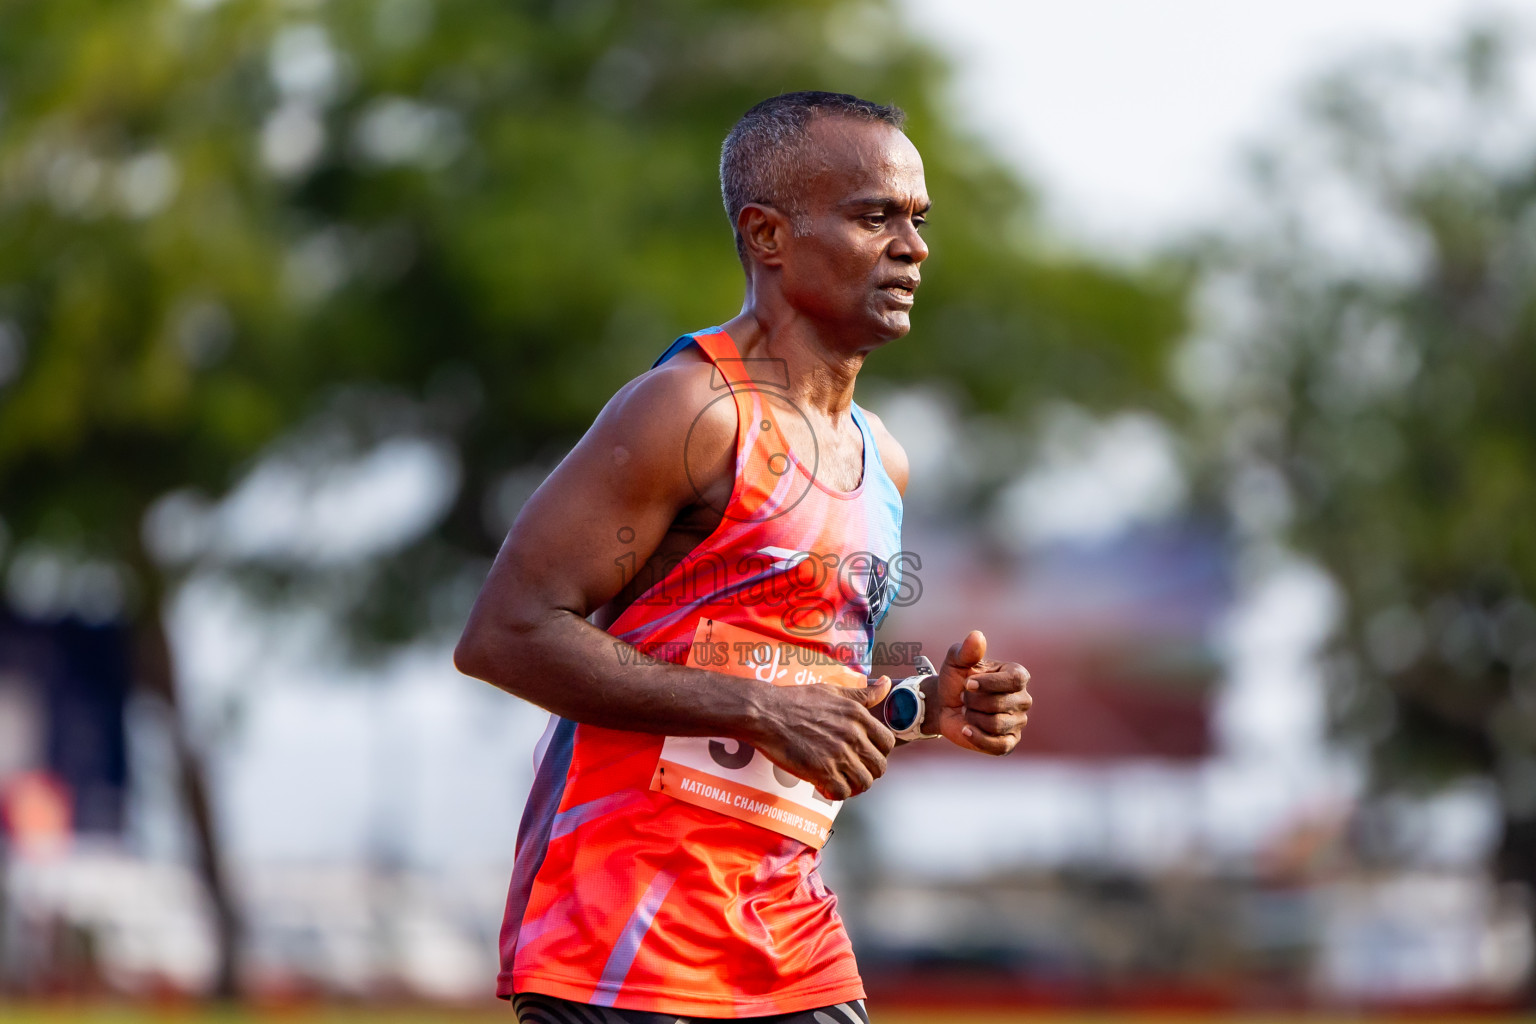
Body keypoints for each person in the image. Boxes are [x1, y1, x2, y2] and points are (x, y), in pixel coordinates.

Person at [454, 91, 1033, 1024]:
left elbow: (782, 661)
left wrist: (924, 704)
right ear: (767, 235)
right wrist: (756, 710)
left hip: (786, 933)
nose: (913, 248)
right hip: (621, 935)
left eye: (918, 220)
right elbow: (506, 634)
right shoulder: (690, 409)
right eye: (873, 216)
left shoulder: (880, 458)